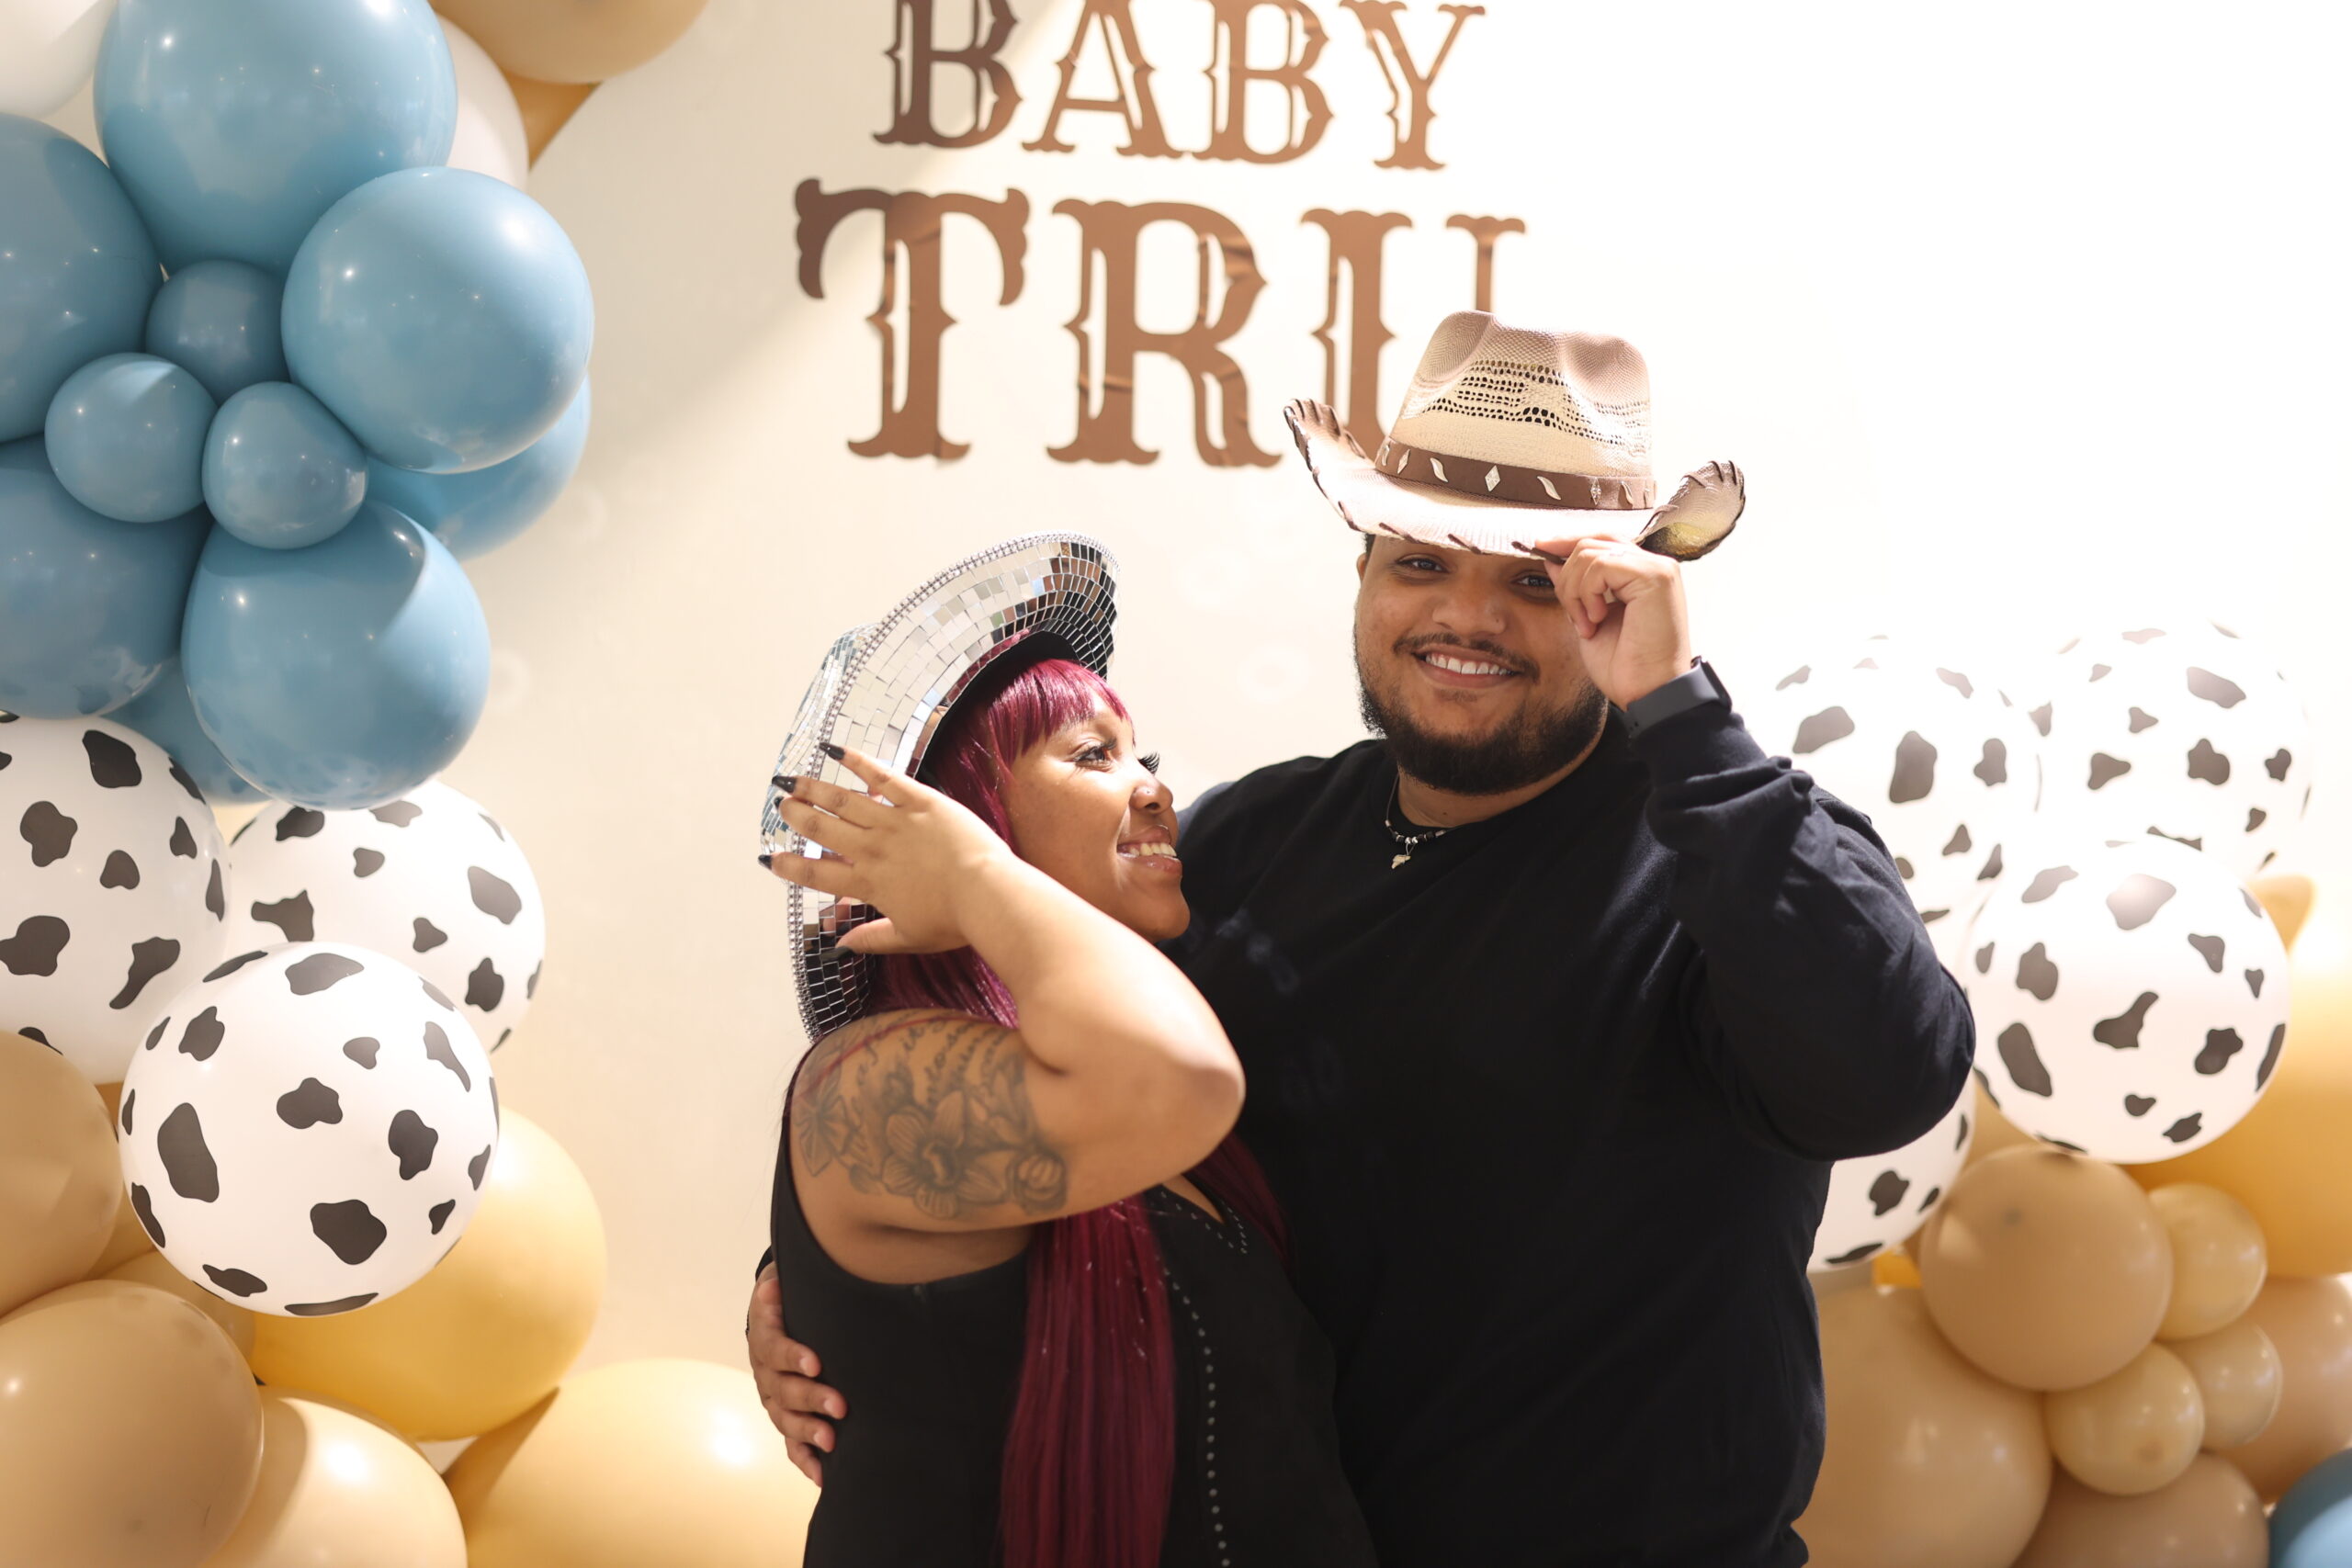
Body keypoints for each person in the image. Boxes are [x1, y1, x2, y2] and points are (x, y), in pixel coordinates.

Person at [752, 316, 1975, 1566]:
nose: (1467, 614)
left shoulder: (1729, 846)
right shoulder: (1250, 840)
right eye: (1422, 562)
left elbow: (1886, 1078)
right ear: (1363, 571)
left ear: (1620, 599)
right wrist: (840, 1277)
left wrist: (1680, 707)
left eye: (1537, 580)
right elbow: (1026, 1057)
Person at [754, 536, 1378, 1568]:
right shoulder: (861, 1083)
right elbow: (1181, 1080)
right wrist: (970, 875)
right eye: (1095, 756)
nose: (1156, 792)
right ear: (963, 817)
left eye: (1145, 760)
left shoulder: (1130, 1107)